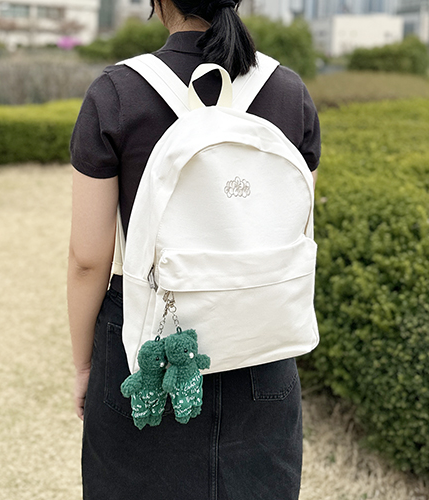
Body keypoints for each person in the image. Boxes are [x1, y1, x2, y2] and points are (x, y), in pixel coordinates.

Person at [67, 0, 320, 497]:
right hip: (262, 344)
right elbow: (293, 224)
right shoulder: (290, 92)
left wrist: (84, 366)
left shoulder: (117, 92)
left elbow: (88, 260)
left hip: (150, 349)